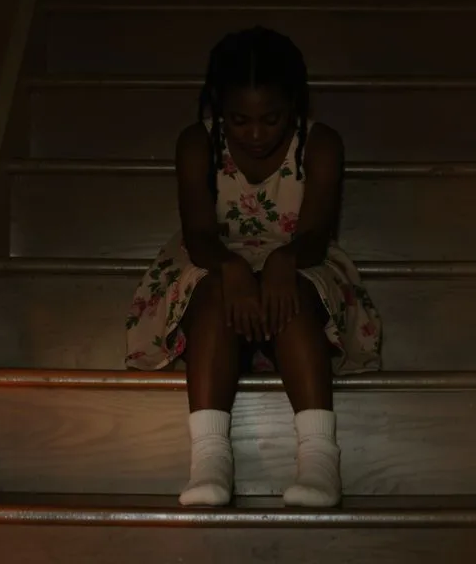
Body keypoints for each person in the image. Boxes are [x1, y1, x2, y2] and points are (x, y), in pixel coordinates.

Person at [124, 27, 383, 508]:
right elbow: (198, 234)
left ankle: (319, 458)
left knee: (295, 293)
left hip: (299, 255)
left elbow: (316, 233)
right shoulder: (197, 143)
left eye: (272, 119)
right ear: (219, 107)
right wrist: (233, 267)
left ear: (295, 106)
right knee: (214, 290)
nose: (257, 134)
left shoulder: (320, 143)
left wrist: (284, 260)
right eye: (240, 120)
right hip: (216, 258)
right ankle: (210, 458)